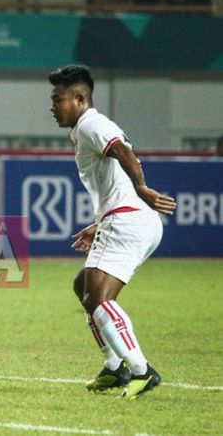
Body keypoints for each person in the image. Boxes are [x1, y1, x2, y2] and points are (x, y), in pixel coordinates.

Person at [49, 64, 176, 400]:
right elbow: (113, 174)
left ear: (79, 98)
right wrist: (99, 223)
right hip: (125, 217)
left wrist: (143, 189)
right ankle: (114, 366)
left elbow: (121, 150)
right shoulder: (83, 129)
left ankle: (140, 370)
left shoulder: (92, 123)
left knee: (99, 298)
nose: (52, 106)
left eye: (57, 99)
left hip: (129, 218)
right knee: (84, 287)